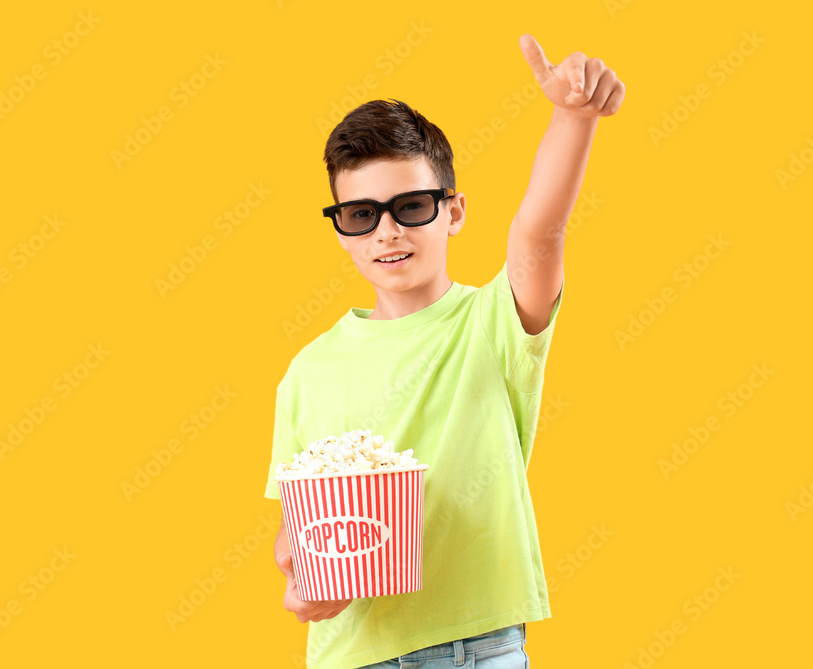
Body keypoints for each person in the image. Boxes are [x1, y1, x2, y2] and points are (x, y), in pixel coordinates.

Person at [264, 33, 625, 669]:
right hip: (349, 654)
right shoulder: (307, 371)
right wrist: (301, 581)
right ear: (342, 231)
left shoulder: (494, 324)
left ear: (453, 211)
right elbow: (302, 527)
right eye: (361, 216)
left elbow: (539, 228)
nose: (388, 231)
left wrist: (572, 117)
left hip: (474, 649)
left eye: (410, 206)